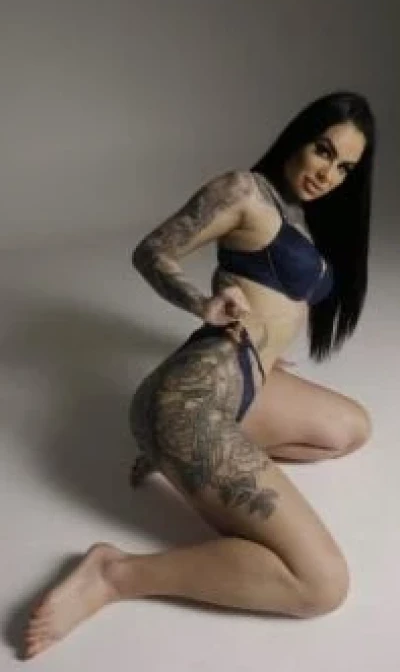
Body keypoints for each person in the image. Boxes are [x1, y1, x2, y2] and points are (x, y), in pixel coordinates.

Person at [23, 91, 376, 658]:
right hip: (189, 402)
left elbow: (276, 301)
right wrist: (201, 304)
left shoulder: (302, 217)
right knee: (322, 585)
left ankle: (183, 458)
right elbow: (152, 251)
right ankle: (114, 574)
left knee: (351, 429)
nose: (327, 174)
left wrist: (269, 348)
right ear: (299, 137)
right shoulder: (244, 192)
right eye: (323, 150)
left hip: (243, 383)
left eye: (344, 168)